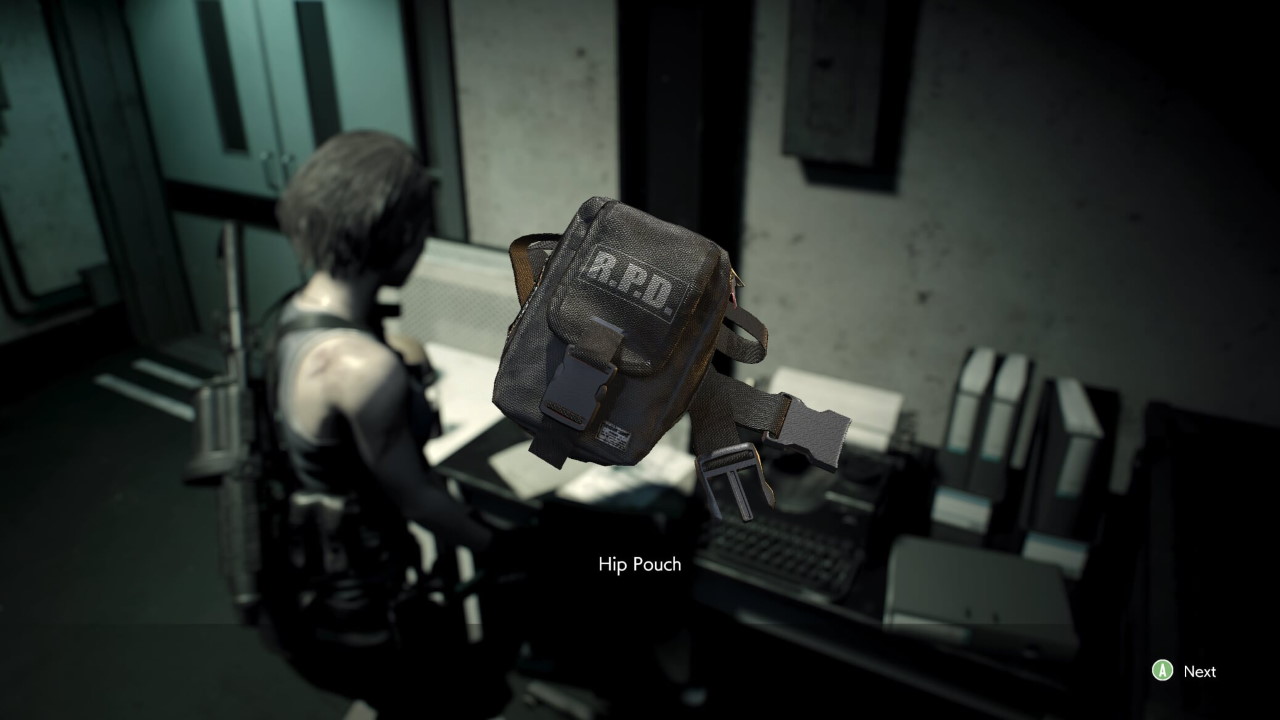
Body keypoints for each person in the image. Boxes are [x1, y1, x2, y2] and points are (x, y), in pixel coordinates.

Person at [265, 130, 517, 718]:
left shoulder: (291, 314)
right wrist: (504, 547)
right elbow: (420, 500)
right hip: (361, 618)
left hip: (301, 589)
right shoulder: (361, 369)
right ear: (400, 233)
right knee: (476, 696)